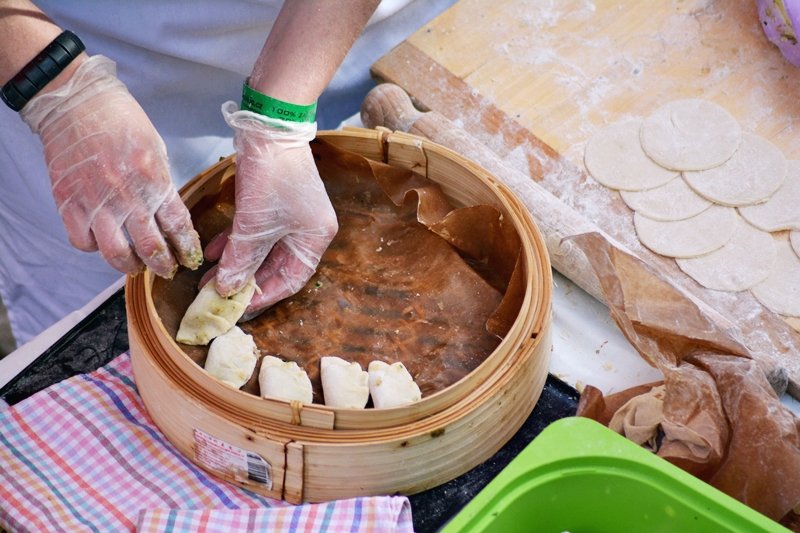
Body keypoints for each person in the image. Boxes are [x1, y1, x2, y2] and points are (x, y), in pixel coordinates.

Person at [0, 0, 456, 348]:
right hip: (67, 45)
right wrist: (57, 88)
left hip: (348, 34)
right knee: (93, 319)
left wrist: (279, 119)